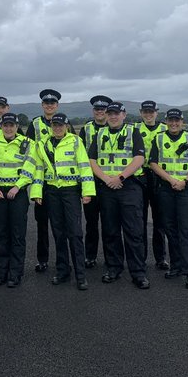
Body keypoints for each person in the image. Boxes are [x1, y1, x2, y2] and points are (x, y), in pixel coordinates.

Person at [31, 111, 95, 290]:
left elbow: (84, 167)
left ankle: (80, 275)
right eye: (54, 125)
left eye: (60, 125)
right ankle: (62, 271)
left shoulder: (75, 141)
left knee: (75, 233)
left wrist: (87, 191)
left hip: (70, 191)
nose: (57, 128)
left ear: (66, 126)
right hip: (51, 191)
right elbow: (38, 169)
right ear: (51, 126)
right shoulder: (42, 144)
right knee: (58, 233)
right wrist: (37, 193)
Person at [88, 102, 149, 289]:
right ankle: (113, 267)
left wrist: (120, 176)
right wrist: (107, 178)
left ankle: (138, 272)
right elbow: (92, 160)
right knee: (110, 230)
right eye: (110, 113)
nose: (113, 117)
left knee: (133, 231)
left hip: (129, 186)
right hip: (107, 187)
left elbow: (140, 158)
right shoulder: (100, 134)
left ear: (124, 115)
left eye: (117, 113)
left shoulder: (133, 132)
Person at [149, 109, 188, 289]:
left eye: (177, 120)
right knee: (170, 229)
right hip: (166, 188)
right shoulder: (159, 138)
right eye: (171, 120)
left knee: (187, 231)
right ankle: (176, 266)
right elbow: (153, 163)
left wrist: (185, 180)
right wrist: (171, 180)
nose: (174, 123)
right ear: (166, 121)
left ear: (182, 121)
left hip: (186, 189)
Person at [0, 112, 37, 287]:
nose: (8, 128)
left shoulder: (28, 143)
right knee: (0, 233)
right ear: (1, 126)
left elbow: (30, 168)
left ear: (16, 126)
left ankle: (15, 273)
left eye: (11, 125)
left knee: (17, 234)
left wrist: (18, 186)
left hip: (17, 193)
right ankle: (2, 271)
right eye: (5, 125)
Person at [26, 88, 62, 273]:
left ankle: (62, 261)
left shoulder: (65, 123)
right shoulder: (34, 124)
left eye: (53, 103)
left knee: (60, 224)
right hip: (41, 180)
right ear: (42, 106)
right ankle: (42, 259)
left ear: (57, 106)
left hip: (60, 183)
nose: (49, 106)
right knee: (42, 223)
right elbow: (29, 152)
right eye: (46, 103)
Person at [78, 95, 112, 268]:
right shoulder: (86, 128)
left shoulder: (114, 127)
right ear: (94, 111)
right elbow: (81, 155)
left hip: (108, 182)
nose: (100, 112)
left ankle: (110, 258)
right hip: (91, 182)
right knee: (91, 223)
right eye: (97, 109)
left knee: (109, 223)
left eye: (103, 109)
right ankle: (90, 256)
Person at [138, 99, 169, 271]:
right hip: (141, 176)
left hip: (160, 177)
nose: (148, 114)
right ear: (141, 113)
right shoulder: (134, 130)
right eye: (145, 112)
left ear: (157, 112)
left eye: (151, 111)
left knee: (160, 220)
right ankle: (140, 257)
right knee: (139, 220)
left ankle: (160, 258)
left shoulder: (165, 129)